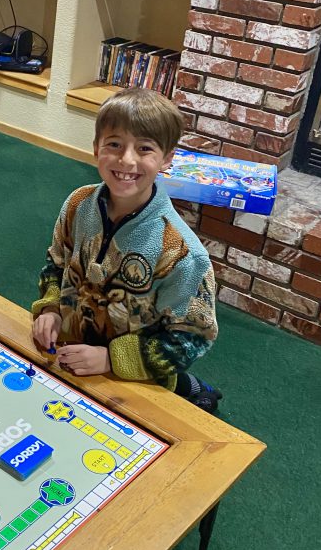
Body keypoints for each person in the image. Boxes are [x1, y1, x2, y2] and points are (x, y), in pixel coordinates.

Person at [32, 88, 221, 412]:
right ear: (96, 147)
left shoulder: (184, 254)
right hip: (71, 347)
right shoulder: (78, 204)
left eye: (144, 148)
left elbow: (191, 339)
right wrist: (50, 308)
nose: (127, 160)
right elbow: (56, 263)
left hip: (132, 366)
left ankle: (191, 388)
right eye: (114, 144)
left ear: (166, 158)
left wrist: (111, 359)